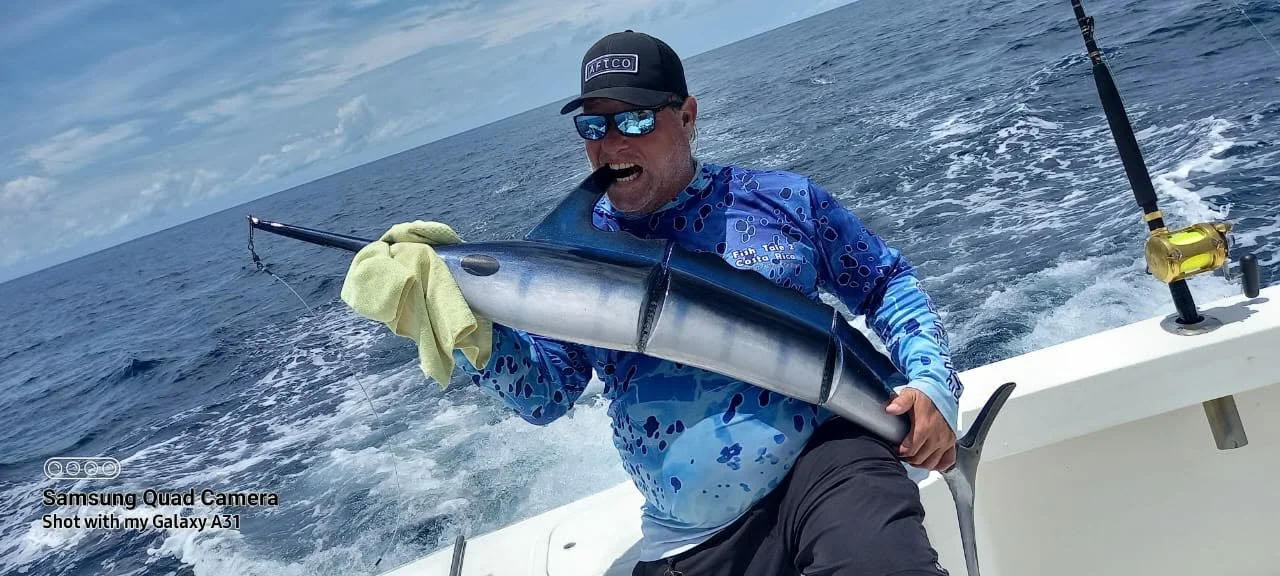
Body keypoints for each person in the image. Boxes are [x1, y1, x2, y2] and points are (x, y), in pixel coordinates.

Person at [459, 30, 962, 576]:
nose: (611, 144)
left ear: (688, 115)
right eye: (593, 126)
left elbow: (885, 282)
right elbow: (544, 398)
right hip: (688, 537)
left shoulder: (783, 200)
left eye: (635, 120)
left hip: (830, 460)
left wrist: (932, 384)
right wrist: (461, 329)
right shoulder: (568, 260)